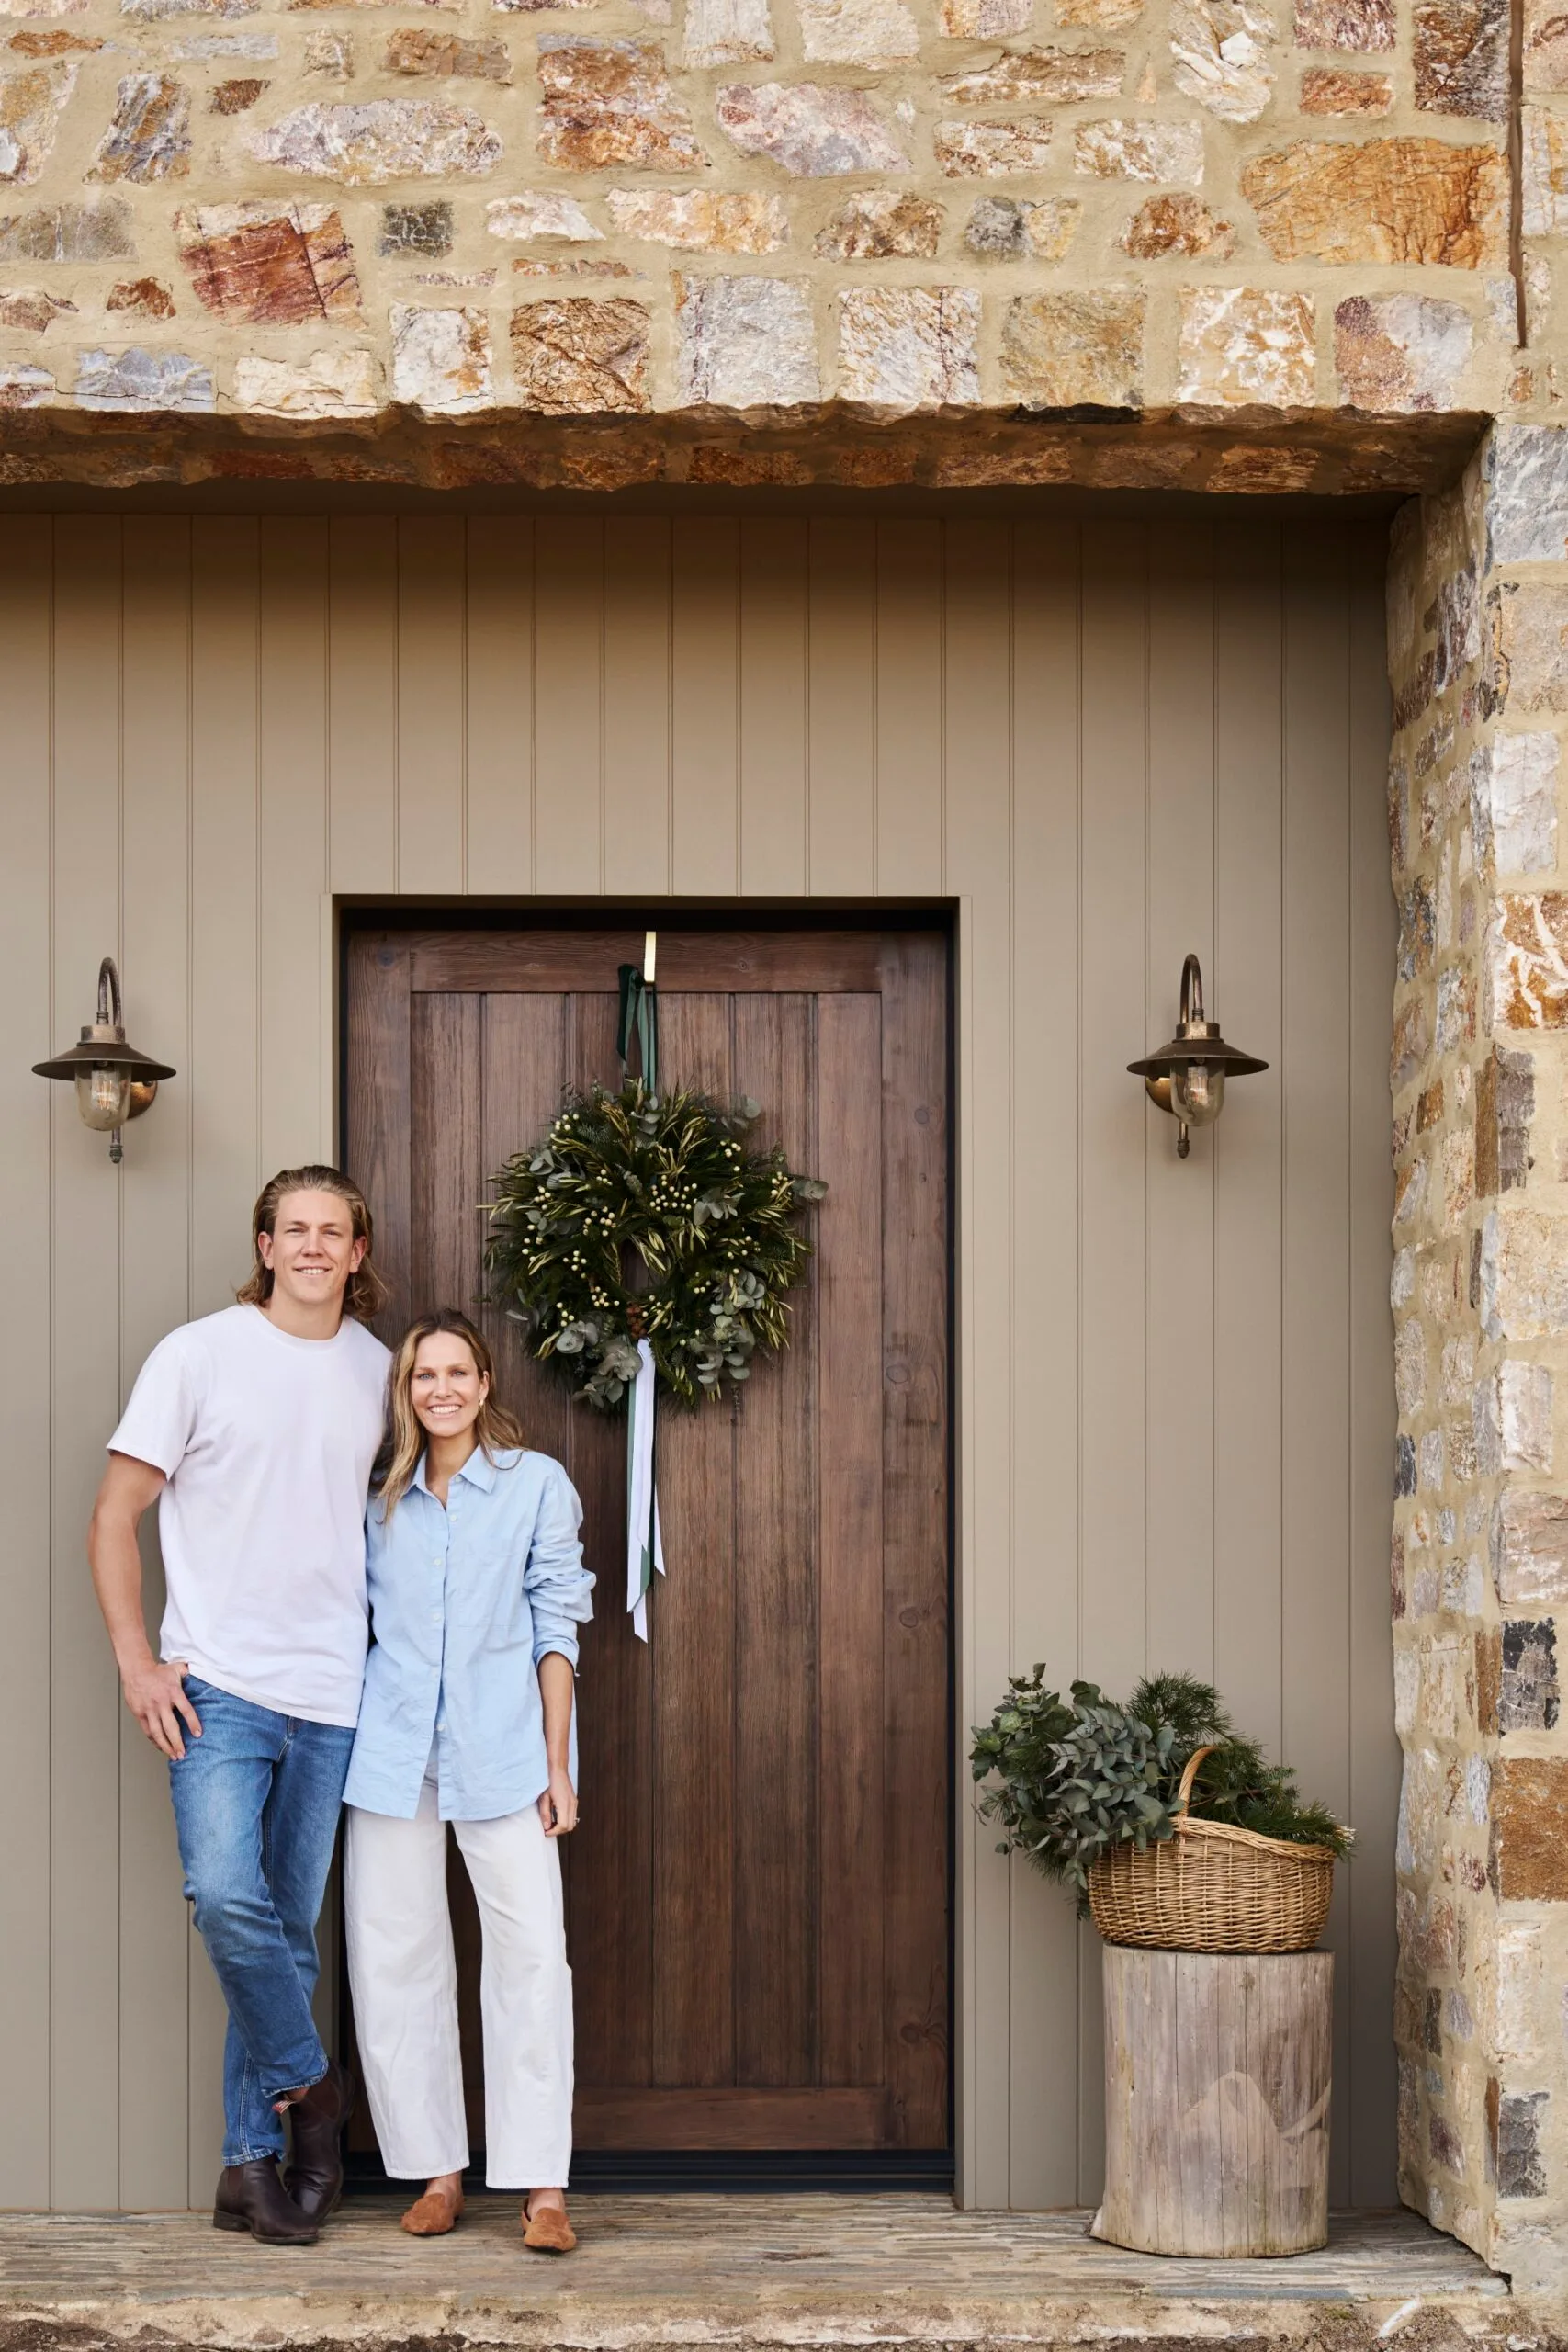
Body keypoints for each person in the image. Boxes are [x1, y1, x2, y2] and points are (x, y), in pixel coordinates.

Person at [88, 1166, 393, 2247]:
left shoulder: (379, 1370)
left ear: (359, 1254)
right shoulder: (199, 1354)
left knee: (283, 1939)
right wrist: (138, 1661)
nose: (314, 1245)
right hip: (217, 1685)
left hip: (335, 1695)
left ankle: (249, 2167)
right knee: (226, 1896)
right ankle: (317, 2098)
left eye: (334, 1231)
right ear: (266, 1244)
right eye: (294, 1228)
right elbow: (115, 1514)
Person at [344, 1308, 592, 2253]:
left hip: (508, 1756)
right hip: (393, 1754)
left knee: (532, 1961)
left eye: (457, 1372)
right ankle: (436, 2168)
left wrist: (559, 1763)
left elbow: (558, 1625)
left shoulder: (536, 1486)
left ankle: (543, 2187)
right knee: (396, 1957)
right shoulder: (378, 1500)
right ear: (405, 1392)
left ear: (485, 1383)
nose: (440, 1388)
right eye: (422, 1376)